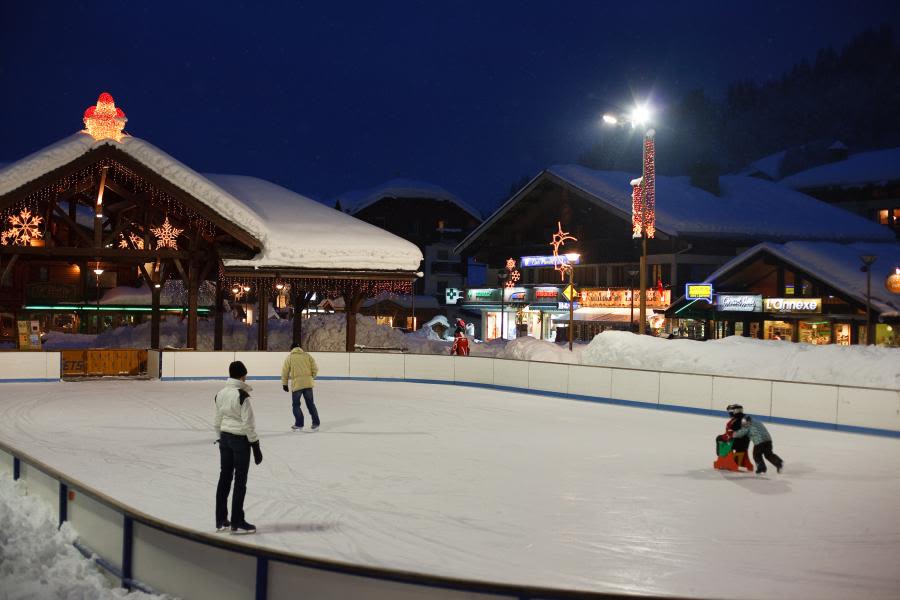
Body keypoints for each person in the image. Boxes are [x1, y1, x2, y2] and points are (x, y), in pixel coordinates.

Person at [214, 360, 262, 534]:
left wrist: (221, 438)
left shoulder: (220, 394)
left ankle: (220, 518)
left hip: (225, 439)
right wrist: (255, 445)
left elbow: (217, 419)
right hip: (240, 441)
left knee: (224, 478)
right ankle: (237, 520)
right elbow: (248, 424)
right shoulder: (242, 396)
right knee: (240, 481)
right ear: (242, 375)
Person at [281, 342, 320, 431]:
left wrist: (285, 384)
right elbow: (315, 368)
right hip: (308, 384)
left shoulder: (290, 357)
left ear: (291, 349)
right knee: (310, 404)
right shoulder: (307, 356)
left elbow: (285, 372)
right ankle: (316, 423)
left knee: (296, 405)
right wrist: (311, 377)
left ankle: (299, 424)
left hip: (297, 385)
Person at [715, 404, 753, 472]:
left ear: (736, 411)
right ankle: (738, 460)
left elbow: (731, 433)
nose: (729, 413)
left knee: (718, 438)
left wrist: (725, 436)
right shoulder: (747, 417)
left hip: (735, 442)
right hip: (745, 444)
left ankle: (721, 457)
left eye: (731, 411)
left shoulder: (736, 420)